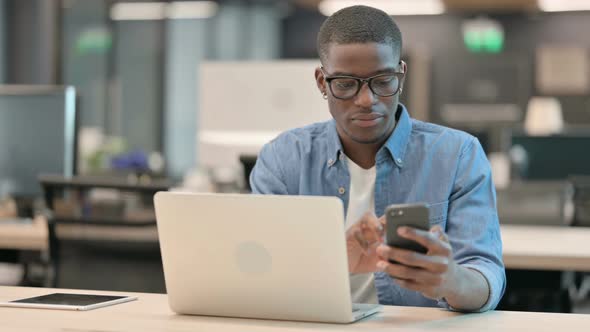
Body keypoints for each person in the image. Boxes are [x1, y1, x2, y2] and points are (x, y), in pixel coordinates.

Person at [250, 5, 505, 312]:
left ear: (401, 74)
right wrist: (333, 260)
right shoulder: (283, 159)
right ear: (321, 82)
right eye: (345, 84)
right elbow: (261, 275)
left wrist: (452, 281)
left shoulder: (457, 155)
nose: (366, 100)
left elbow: (485, 277)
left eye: (383, 81)